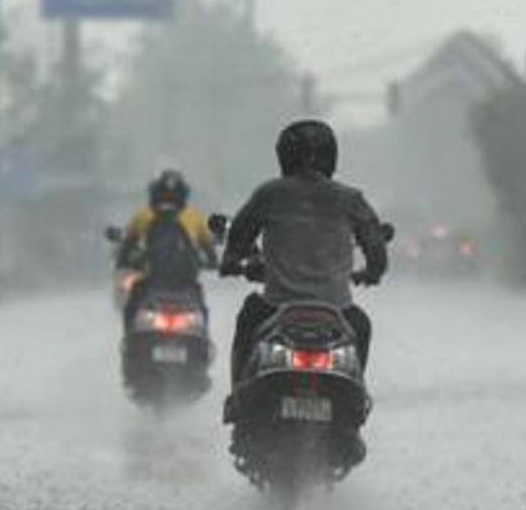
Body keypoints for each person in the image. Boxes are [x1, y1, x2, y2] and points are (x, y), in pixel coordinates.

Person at [219, 120, 388, 388]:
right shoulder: (351, 199)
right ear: (331, 156)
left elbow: (239, 234)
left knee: (248, 318)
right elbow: (376, 246)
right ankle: (355, 398)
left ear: (285, 155)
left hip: (275, 306)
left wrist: (231, 261)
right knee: (362, 327)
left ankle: (238, 396)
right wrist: (372, 273)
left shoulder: (270, 194)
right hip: (338, 309)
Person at [118, 169, 216, 323]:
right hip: (186, 282)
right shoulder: (196, 217)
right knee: (201, 310)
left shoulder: (143, 216)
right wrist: (210, 263)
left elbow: (127, 247)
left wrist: (126, 262)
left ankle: (129, 342)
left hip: (152, 280)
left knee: (132, 305)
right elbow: (210, 251)